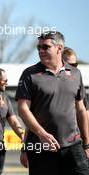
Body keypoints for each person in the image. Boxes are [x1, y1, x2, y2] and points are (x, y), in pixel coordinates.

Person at [16, 31, 89, 175]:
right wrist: (42, 134)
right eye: (38, 48)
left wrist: (86, 144)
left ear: (59, 48)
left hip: (73, 146)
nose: (40, 51)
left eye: (45, 47)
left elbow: (81, 110)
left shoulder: (75, 73)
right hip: (40, 147)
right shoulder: (29, 74)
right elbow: (23, 109)